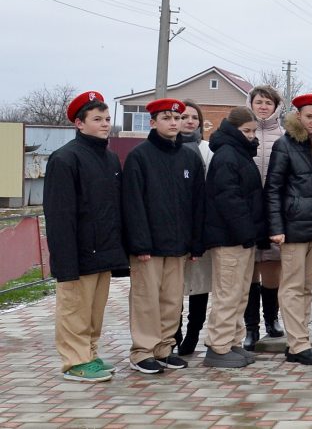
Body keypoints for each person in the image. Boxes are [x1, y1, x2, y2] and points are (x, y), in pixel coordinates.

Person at [43, 91, 128, 382]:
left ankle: (90, 354)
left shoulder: (109, 158)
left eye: (106, 118)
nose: (105, 124)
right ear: (79, 124)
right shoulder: (65, 159)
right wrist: (64, 263)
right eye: (97, 119)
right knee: (74, 311)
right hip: (77, 253)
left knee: (93, 311)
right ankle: (74, 361)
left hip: (103, 250)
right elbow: (59, 215)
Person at [121, 98, 206, 375]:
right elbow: (132, 203)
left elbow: (197, 203)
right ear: (153, 122)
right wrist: (140, 242)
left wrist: (195, 242)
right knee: (147, 299)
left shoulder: (189, 157)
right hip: (149, 246)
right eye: (167, 118)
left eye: (177, 118)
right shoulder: (140, 156)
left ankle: (164, 348)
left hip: (178, 244)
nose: (173, 123)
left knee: (172, 300)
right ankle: (142, 351)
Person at [265, 93, 312, 366]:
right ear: (298, 116)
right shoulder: (284, 146)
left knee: (307, 287)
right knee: (292, 287)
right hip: (293, 229)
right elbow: (273, 188)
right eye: (309, 117)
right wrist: (276, 226)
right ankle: (298, 344)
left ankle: (300, 337)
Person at [201, 107, 267, 368]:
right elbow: (229, 199)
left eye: (253, 131)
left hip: (242, 237)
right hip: (230, 238)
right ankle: (218, 346)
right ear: (233, 129)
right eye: (246, 131)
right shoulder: (228, 155)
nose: (251, 136)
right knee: (228, 293)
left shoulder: (240, 153)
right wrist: (246, 232)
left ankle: (232, 342)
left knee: (240, 293)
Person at [244, 84, 285, 350]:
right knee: (249, 271)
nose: (263, 107)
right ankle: (251, 328)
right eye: (258, 102)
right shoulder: (242, 133)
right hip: (248, 210)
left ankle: (271, 319)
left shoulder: (283, 136)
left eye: (268, 103)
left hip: (273, 210)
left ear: (276, 106)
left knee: (272, 267)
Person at [175, 100, 212, 356]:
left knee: (199, 286)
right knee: (173, 288)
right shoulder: (166, 150)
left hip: (202, 227)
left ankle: (193, 334)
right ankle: (172, 334)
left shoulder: (209, 150)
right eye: (184, 117)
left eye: (194, 117)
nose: (189, 121)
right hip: (174, 231)